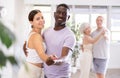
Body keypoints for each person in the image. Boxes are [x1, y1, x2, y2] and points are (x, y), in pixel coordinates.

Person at [18, 9, 55, 78]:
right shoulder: (36, 36)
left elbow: (26, 47)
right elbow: (42, 55)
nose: (41, 20)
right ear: (31, 22)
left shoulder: (37, 34)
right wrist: (53, 59)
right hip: (30, 72)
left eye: (42, 17)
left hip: (35, 70)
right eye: (38, 19)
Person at [43, 3, 76, 78]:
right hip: (47, 74)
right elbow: (39, 47)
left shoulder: (70, 35)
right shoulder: (46, 31)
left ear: (68, 17)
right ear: (54, 14)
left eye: (64, 14)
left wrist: (55, 61)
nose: (61, 15)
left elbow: (65, 57)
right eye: (59, 12)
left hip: (61, 76)